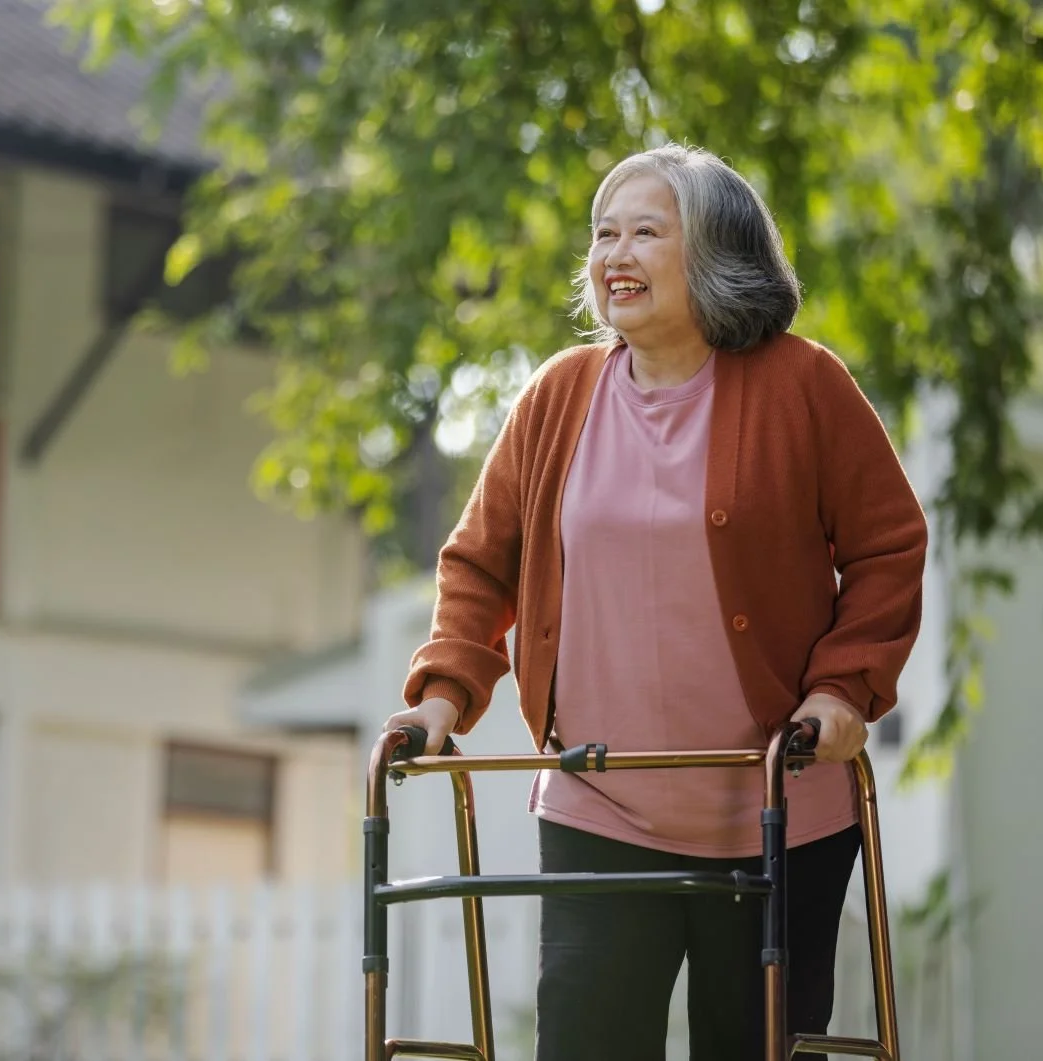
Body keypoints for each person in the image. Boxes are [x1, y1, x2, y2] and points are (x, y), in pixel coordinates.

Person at [382, 144, 928, 1060]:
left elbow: (887, 547)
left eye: (646, 231)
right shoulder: (559, 395)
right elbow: (480, 563)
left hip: (776, 808)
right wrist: (443, 694)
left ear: (714, 253)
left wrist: (843, 689)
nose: (614, 255)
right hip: (603, 809)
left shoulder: (805, 385)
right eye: (603, 234)